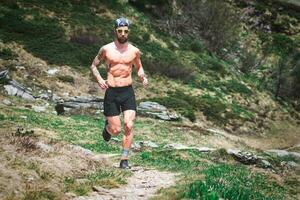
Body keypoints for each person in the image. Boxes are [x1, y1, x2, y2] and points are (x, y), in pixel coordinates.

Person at [90, 17, 148, 169]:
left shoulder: (134, 51)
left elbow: (139, 67)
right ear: (115, 31)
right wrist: (99, 79)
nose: (123, 34)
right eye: (120, 31)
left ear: (129, 32)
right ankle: (108, 128)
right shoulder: (106, 49)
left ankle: (124, 159)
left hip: (128, 92)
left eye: (126, 31)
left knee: (129, 125)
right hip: (112, 93)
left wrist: (142, 76)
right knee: (116, 130)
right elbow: (94, 66)